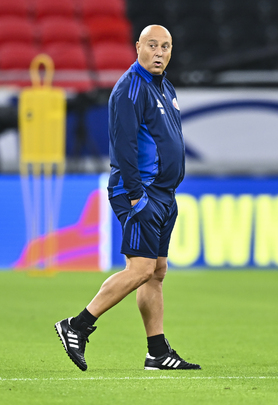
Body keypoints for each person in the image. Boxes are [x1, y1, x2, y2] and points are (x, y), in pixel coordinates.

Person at [54, 25, 200, 371]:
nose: (160, 52)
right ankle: (77, 326)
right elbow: (123, 146)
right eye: (152, 45)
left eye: (166, 46)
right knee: (141, 268)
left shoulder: (164, 87)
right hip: (140, 192)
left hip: (164, 193)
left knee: (156, 272)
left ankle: (157, 352)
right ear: (138, 47)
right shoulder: (130, 89)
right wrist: (136, 196)